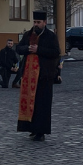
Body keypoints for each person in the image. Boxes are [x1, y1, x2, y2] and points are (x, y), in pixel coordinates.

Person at [16, 11, 61, 141]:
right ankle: (31, 128)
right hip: (28, 76)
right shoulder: (28, 34)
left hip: (44, 76)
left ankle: (41, 131)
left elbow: (56, 52)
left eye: (38, 22)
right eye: (34, 22)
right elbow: (19, 48)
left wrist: (39, 50)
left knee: (42, 104)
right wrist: (28, 49)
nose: (36, 24)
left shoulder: (50, 36)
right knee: (30, 103)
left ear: (44, 23)